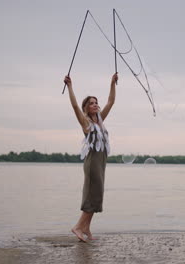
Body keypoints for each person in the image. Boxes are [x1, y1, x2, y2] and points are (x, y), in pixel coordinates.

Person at [64, 72, 118, 242]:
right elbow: (74, 106)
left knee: (97, 193)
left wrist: (112, 83)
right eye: (91, 103)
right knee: (92, 193)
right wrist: (70, 87)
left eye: (96, 103)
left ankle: (86, 227)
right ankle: (78, 227)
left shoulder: (100, 120)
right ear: (86, 108)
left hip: (101, 161)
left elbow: (111, 102)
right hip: (92, 161)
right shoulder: (86, 122)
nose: (95, 105)